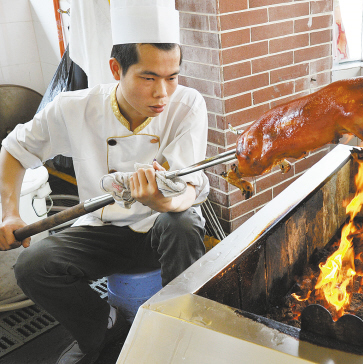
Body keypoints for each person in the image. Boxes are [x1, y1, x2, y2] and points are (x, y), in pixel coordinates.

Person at [0, 1, 209, 363]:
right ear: (116, 68)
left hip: (162, 228)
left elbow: (187, 192)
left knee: (185, 223)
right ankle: (102, 329)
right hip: (101, 230)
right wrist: (9, 214)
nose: (163, 93)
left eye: (172, 77)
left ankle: (183, 331)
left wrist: (160, 201)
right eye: (148, 78)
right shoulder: (74, 108)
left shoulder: (188, 105)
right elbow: (14, 149)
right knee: (32, 265)